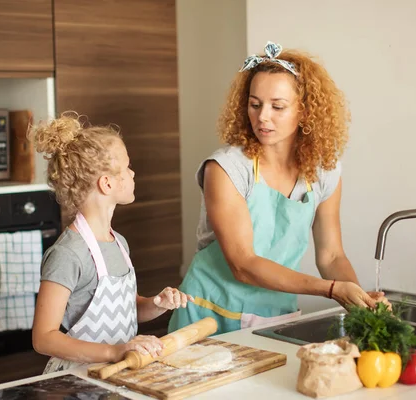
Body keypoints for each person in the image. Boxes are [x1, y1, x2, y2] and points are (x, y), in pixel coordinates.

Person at [169, 42, 389, 335]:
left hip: (274, 315)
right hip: (208, 315)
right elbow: (243, 264)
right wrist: (332, 289)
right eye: (255, 104)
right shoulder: (226, 169)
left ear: (305, 111)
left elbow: (331, 256)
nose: (262, 117)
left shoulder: (324, 171)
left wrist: (360, 299)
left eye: (278, 106)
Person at [29, 112, 193, 373]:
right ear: (106, 183)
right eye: (127, 167)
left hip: (118, 372)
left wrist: (157, 303)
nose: (133, 172)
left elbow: (130, 310)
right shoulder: (67, 254)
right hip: (80, 378)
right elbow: (43, 337)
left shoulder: (119, 243)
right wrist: (113, 351)